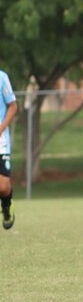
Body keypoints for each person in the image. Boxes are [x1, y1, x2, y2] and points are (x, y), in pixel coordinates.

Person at [1, 70, 17, 230]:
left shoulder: (2, 77)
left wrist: (1, 127)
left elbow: (12, 106)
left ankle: (6, 206)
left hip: (0, 141)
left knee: (3, 187)